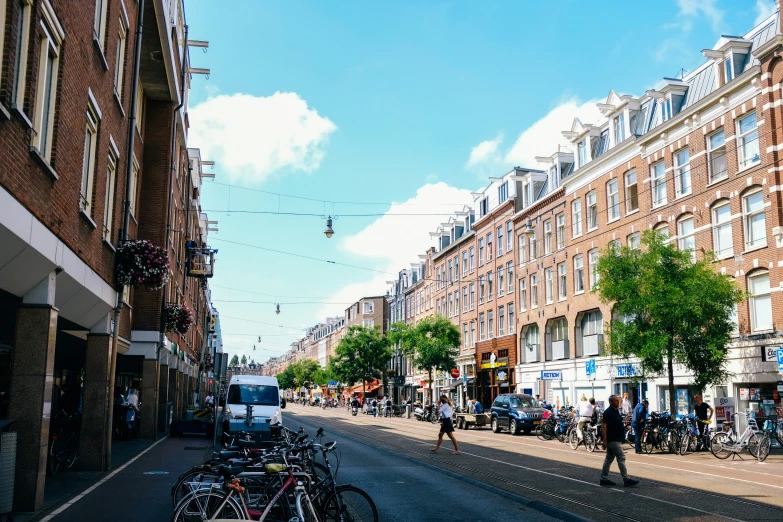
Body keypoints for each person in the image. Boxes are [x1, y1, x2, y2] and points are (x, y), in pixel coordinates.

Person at [600, 395, 639, 487]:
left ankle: (603, 478)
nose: (618, 402)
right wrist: (604, 440)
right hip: (612, 439)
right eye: (616, 401)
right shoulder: (608, 412)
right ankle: (626, 479)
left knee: (609, 459)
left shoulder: (616, 411)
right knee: (621, 457)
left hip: (616, 438)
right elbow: (604, 426)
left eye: (618, 401)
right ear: (611, 402)